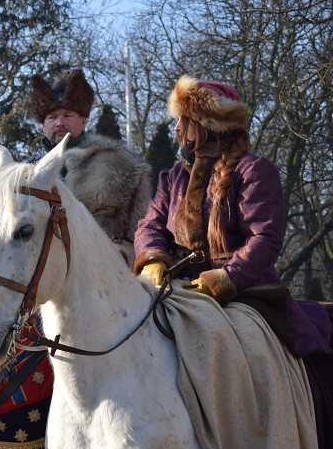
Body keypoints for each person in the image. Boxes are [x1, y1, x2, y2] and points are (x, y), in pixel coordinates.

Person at [133, 74, 332, 357]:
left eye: (183, 119)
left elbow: (265, 238)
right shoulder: (174, 176)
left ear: (207, 122)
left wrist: (226, 278)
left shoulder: (254, 170)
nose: (176, 127)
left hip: (244, 291)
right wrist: (152, 259)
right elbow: (149, 225)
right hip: (178, 287)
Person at [26, 69, 152, 266]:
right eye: (52, 117)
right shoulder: (24, 174)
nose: (60, 122)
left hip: (104, 273)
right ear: (43, 125)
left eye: (67, 115)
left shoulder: (119, 165)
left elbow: (143, 230)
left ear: (83, 121)